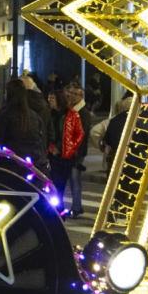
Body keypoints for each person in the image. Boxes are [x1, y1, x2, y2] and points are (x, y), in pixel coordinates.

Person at [45, 82, 89, 217]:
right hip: (57, 154)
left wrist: (68, 149)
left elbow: (80, 134)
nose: (71, 97)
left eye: (74, 94)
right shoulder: (55, 113)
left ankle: (73, 208)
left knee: (70, 180)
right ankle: (59, 207)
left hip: (69, 154)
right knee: (57, 182)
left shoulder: (74, 114)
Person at [0, 79, 50, 165]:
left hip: (10, 163)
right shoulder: (34, 116)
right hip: (31, 164)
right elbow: (41, 140)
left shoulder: (4, 115)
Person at [100, 93, 133, 173]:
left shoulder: (114, 120)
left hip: (116, 156)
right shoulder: (137, 120)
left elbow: (107, 139)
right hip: (133, 158)